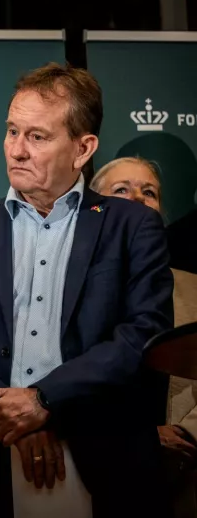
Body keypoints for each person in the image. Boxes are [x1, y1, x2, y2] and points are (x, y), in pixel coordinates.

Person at [0, 63, 174, 518]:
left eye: (37, 137)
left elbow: (144, 334)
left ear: (83, 148)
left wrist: (44, 401)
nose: (16, 150)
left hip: (104, 454)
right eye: (12, 131)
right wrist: (13, 417)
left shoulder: (133, 226)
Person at [90, 156, 197, 518]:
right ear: (92, 206)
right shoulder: (64, 285)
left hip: (184, 474)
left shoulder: (195, 290)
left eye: (148, 192)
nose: (137, 198)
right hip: (87, 469)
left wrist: (188, 434)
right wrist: (144, 441)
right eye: (122, 190)